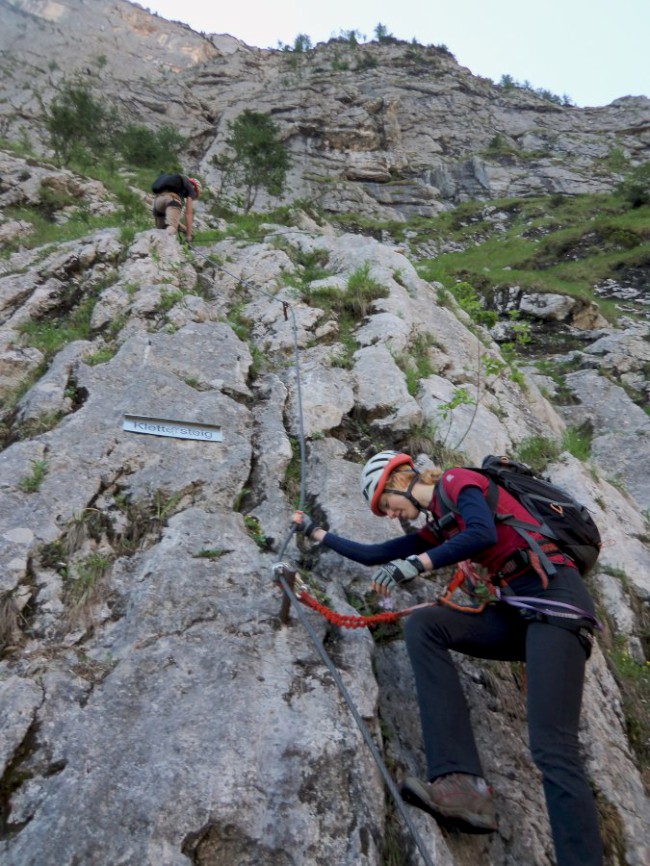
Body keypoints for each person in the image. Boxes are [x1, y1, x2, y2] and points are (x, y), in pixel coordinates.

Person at [294, 450, 603, 866]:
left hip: (556, 605)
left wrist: (414, 566)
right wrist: (315, 532)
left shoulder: (458, 482)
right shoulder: (441, 522)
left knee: (552, 747)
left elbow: (482, 534)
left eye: (386, 503)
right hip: (521, 612)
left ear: (401, 479)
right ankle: (462, 786)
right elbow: (375, 554)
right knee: (426, 626)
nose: (389, 514)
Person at [151, 173, 201, 243]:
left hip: (157, 201)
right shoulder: (191, 188)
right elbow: (188, 213)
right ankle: (159, 239)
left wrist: (185, 229)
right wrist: (188, 236)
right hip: (172, 199)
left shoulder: (175, 184)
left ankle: (152, 241)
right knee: (172, 228)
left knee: (161, 230)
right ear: (195, 188)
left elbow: (173, 220)